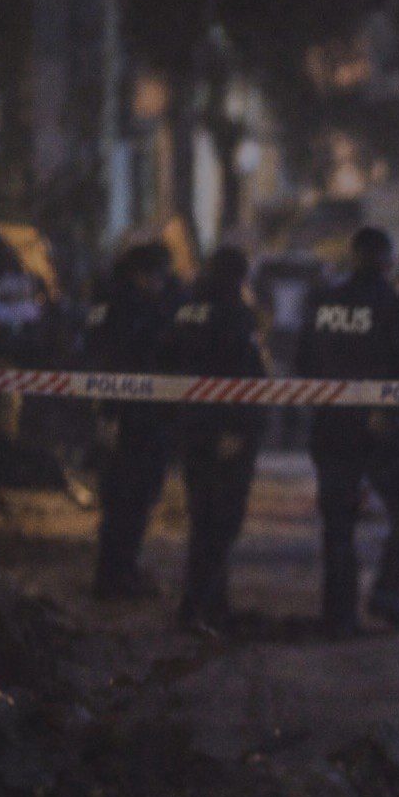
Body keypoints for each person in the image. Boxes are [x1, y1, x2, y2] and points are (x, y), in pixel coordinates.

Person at [296, 227, 399, 638]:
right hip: (380, 429)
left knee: (338, 524)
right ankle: (387, 592)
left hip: (332, 427)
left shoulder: (322, 303)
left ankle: (339, 615)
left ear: (351, 258)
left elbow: (303, 364)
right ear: (387, 261)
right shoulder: (393, 305)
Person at [163, 246, 268, 635]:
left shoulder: (187, 308)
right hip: (225, 433)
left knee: (203, 515)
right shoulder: (233, 313)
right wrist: (238, 429)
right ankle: (201, 605)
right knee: (221, 522)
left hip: (192, 429)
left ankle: (207, 603)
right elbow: (243, 374)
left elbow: (169, 362)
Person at [89, 243, 182, 599]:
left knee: (128, 501)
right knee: (128, 500)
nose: (162, 282)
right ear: (141, 275)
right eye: (159, 275)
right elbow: (122, 359)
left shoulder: (115, 303)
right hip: (134, 421)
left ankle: (118, 571)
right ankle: (115, 577)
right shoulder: (131, 309)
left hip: (133, 417)